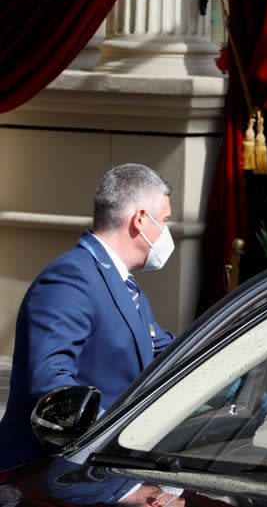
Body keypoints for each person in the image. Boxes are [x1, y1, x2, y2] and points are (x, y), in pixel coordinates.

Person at [0, 163, 177, 471]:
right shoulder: (71, 277)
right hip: (48, 476)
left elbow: (175, 357)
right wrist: (116, 436)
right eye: (164, 221)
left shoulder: (124, 286)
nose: (166, 233)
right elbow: (53, 386)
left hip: (103, 470)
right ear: (140, 220)